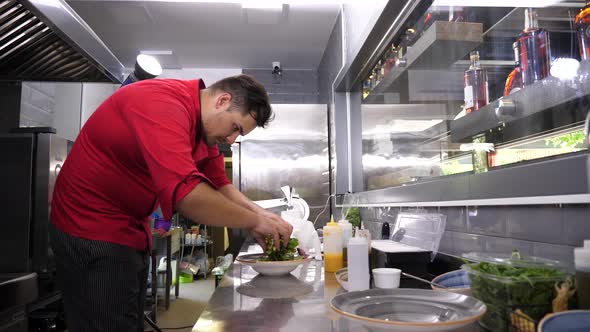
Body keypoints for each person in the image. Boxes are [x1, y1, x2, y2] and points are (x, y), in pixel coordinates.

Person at [49, 74, 293, 331]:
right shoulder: (163, 104)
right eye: (235, 128)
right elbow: (188, 198)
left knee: (127, 321)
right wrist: (254, 221)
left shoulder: (202, 128)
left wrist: (264, 217)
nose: (232, 139)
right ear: (222, 101)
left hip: (129, 228)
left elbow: (220, 184)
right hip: (91, 228)